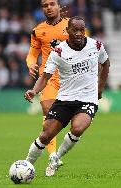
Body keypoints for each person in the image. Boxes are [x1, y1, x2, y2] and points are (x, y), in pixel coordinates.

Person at [24, 16, 110, 177]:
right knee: (45, 135)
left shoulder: (96, 45)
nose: (79, 33)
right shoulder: (58, 52)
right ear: (67, 31)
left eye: (81, 30)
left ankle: (56, 157)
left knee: (78, 128)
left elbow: (106, 64)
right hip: (65, 99)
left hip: (87, 99)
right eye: (75, 30)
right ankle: (26, 164)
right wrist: (34, 91)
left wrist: (100, 88)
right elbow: (45, 77)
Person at [25, 0, 69, 170]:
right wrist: (30, 64)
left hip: (70, 78)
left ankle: (58, 151)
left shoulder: (71, 26)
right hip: (49, 77)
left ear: (59, 6)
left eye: (52, 4)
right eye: (45, 5)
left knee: (73, 121)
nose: (49, 7)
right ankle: (52, 156)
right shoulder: (38, 30)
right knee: (48, 111)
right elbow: (31, 54)